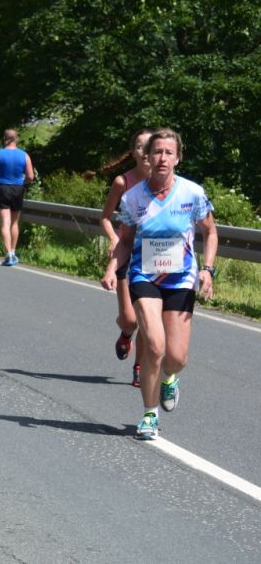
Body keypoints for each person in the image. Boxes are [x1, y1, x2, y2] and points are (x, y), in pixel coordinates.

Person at [101, 128, 217, 441]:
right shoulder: (133, 197)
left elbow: (211, 232)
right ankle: (149, 415)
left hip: (180, 279)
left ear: (177, 157)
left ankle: (169, 377)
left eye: (168, 152)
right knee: (154, 345)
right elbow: (125, 241)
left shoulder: (192, 193)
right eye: (157, 152)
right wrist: (113, 268)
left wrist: (207, 269)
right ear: (147, 157)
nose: (162, 157)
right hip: (144, 276)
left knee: (176, 357)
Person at [99, 128, 153, 386]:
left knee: (147, 317)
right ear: (133, 152)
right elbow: (105, 217)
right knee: (131, 319)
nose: (145, 152)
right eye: (140, 147)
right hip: (127, 252)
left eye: (149, 146)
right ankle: (125, 333)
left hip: (154, 256)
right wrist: (114, 239)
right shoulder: (123, 182)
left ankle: (140, 367)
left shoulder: (166, 182)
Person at [0, 128, 35, 266]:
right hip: (18, 189)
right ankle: (13, 251)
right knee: (14, 223)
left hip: (3, 188)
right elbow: (30, 176)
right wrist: (22, 182)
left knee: (5, 222)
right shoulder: (24, 155)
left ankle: (9, 254)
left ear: (4, 139)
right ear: (16, 139)